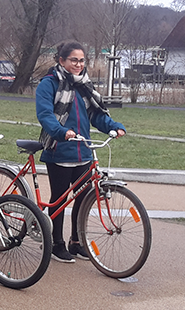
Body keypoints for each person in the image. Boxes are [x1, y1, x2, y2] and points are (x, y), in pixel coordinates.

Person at [36, 41, 126, 263]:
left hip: (83, 151)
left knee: (84, 198)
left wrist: (113, 125)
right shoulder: (49, 84)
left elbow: (96, 115)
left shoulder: (84, 86)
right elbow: (45, 114)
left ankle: (76, 241)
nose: (78, 64)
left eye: (82, 60)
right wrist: (60, 131)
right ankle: (56, 243)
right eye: (73, 60)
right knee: (59, 198)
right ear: (61, 61)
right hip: (60, 149)